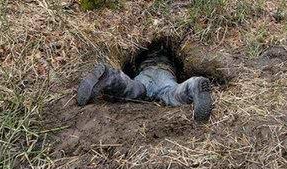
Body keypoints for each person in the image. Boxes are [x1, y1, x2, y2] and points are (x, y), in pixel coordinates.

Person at [77, 50, 213, 122]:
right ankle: (194, 84)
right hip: (165, 73)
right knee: (172, 93)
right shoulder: (170, 55)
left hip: (145, 74)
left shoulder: (143, 53)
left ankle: (109, 75)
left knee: (131, 89)